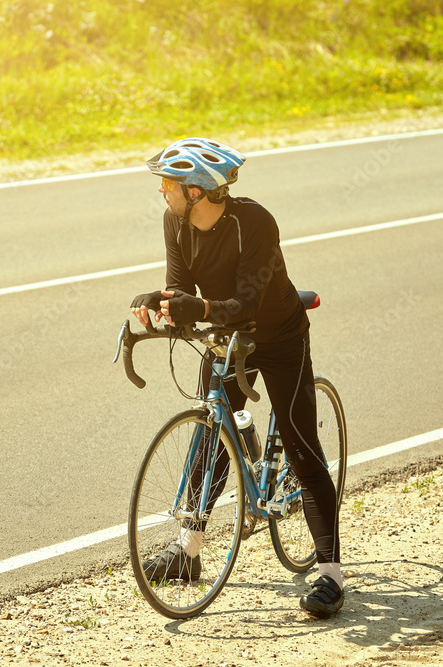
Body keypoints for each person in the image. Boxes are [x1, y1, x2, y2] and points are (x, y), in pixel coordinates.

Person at [129, 137, 344, 618]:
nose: (161, 192)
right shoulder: (176, 223)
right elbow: (182, 290)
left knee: (302, 445)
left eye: (168, 184)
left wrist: (198, 307)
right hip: (228, 336)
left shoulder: (256, 224)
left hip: (279, 334)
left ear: (197, 191)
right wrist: (159, 304)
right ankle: (188, 549)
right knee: (212, 429)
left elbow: (245, 303)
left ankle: (331, 574)